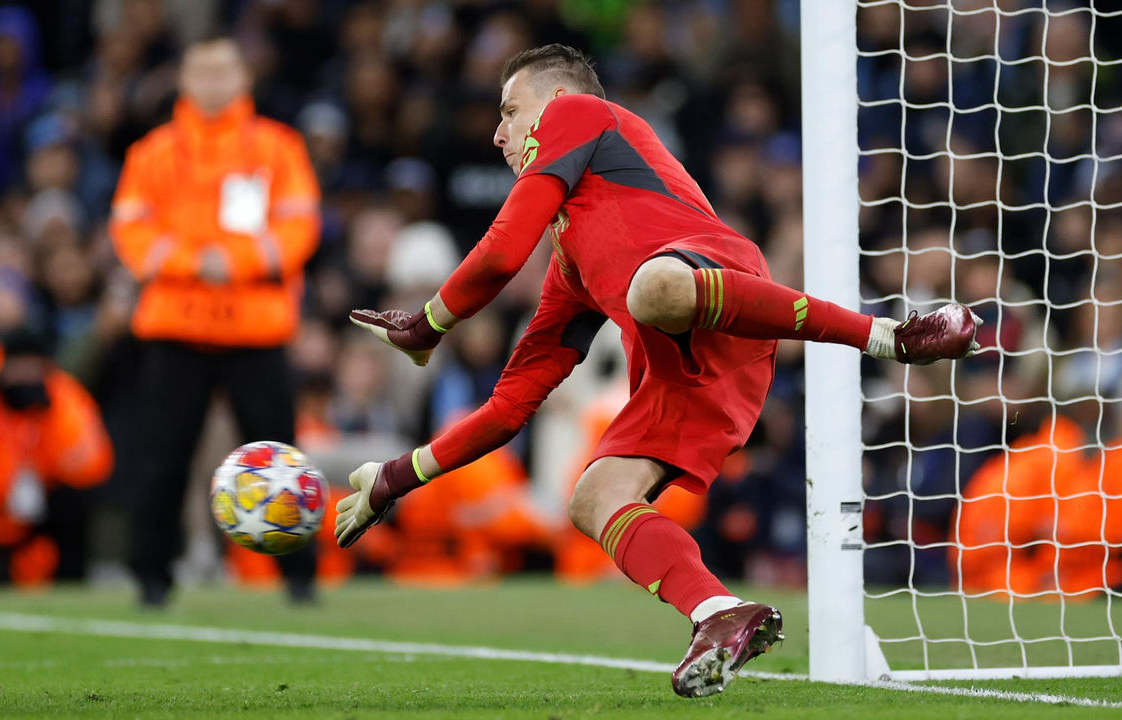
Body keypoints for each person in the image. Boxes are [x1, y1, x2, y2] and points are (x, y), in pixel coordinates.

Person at [336, 44, 979, 697]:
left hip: (719, 290)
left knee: (652, 289)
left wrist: (428, 325)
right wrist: (397, 476)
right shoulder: (573, 266)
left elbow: (503, 251)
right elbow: (509, 406)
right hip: (687, 374)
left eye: (510, 111)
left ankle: (889, 335)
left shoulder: (582, 112)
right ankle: (716, 613)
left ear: (554, 104)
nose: (499, 132)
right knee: (592, 497)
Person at [109, 34, 320, 607]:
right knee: (161, 458)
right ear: (184, 81)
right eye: (202, 71)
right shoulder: (151, 153)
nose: (213, 83)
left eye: (224, 71)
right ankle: (151, 577)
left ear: (243, 79)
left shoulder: (278, 148)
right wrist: (193, 263)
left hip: (256, 327)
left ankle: (301, 578)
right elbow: (130, 230)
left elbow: (300, 226)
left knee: (281, 457)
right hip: (176, 327)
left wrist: (233, 261)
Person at [0, 330, 112, 597]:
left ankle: (69, 585)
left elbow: (93, 468)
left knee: (73, 507)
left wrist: (56, 412)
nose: (25, 376)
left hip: (32, 522)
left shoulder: (57, 401)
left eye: (32, 367)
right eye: (19, 367)